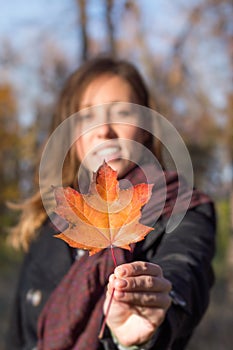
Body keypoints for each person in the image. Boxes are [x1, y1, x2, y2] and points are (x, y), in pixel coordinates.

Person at [6, 56, 216, 350]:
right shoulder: (50, 224)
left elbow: (183, 272)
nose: (104, 131)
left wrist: (151, 317)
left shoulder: (180, 206)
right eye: (88, 116)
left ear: (144, 127)